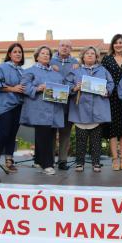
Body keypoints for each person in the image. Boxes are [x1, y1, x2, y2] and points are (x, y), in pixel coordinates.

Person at [66, 46, 114, 173]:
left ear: (96, 57)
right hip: (80, 109)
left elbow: (110, 83)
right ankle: (79, 163)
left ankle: (96, 163)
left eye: (92, 53)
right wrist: (75, 88)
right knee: (80, 139)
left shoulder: (103, 70)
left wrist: (107, 91)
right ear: (83, 56)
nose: (90, 55)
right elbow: (67, 85)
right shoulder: (76, 71)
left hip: (97, 109)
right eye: (87, 53)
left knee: (96, 140)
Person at [21, 45, 65, 175]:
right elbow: (24, 87)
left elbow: (62, 89)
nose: (46, 55)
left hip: (54, 110)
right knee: (43, 136)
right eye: (43, 53)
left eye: (48, 54)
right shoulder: (30, 71)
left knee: (49, 136)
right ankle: (47, 165)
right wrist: (37, 89)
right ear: (37, 56)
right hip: (38, 109)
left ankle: (39, 161)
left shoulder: (56, 74)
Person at [0, 43, 25, 173]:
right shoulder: (2, 67)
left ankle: (9, 161)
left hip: (18, 105)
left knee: (12, 135)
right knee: (4, 134)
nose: (17, 54)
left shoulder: (23, 71)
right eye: (15, 52)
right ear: (9, 54)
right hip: (4, 107)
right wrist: (13, 88)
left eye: (20, 52)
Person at [101, 34, 122, 171]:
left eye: (121, 42)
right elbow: (101, 77)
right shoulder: (107, 59)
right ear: (112, 45)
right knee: (113, 130)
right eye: (116, 43)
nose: (118, 45)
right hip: (111, 97)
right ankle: (114, 159)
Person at [50, 40, 79, 170]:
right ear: (58, 47)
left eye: (68, 46)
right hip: (52, 103)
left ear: (71, 49)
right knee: (50, 133)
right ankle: (48, 160)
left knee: (65, 133)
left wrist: (79, 69)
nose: (65, 48)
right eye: (62, 45)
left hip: (68, 103)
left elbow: (78, 80)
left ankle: (62, 161)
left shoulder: (76, 64)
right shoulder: (49, 61)